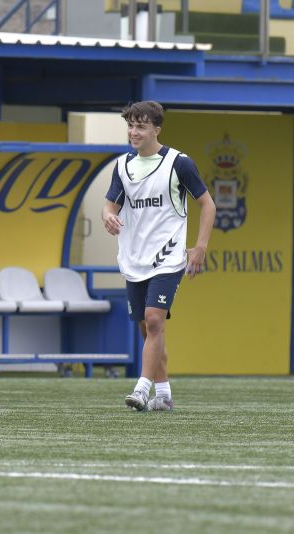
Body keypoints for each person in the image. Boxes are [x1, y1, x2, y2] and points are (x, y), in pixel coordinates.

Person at [102, 100, 215, 412]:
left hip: (168, 257)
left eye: (140, 126)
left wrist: (200, 246)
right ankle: (163, 394)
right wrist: (107, 215)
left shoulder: (180, 163)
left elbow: (208, 204)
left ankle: (141, 390)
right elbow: (111, 204)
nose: (134, 132)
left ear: (156, 129)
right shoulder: (123, 166)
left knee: (154, 320)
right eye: (131, 126)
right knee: (146, 327)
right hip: (134, 259)